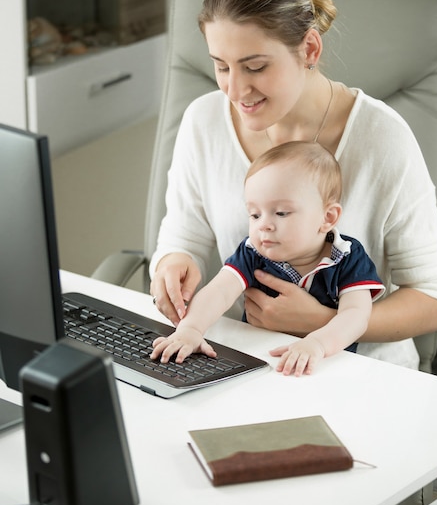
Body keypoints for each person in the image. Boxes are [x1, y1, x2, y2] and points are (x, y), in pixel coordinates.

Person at [149, 0, 437, 370]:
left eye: (254, 66)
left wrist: (324, 323)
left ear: (309, 48)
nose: (235, 90)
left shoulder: (382, 136)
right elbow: (182, 238)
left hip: (364, 377)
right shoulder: (203, 121)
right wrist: (172, 264)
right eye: (221, 67)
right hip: (241, 363)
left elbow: (433, 298)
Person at [151, 141, 385, 376]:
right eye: (254, 214)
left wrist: (317, 344)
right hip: (256, 363)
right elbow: (219, 291)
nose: (264, 225)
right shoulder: (253, 251)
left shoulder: (348, 256)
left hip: (325, 369)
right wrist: (190, 329)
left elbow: (355, 316)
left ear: (327, 217)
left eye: (281, 213)